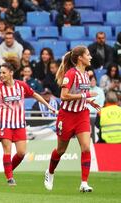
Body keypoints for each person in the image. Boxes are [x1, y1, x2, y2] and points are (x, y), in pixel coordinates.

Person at [0, 62, 56, 186]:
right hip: (5, 123)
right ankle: (10, 178)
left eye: (4, 72)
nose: (1, 75)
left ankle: (9, 170)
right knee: (7, 150)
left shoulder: (21, 85)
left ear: (11, 73)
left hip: (19, 124)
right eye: (0, 73)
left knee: (21, 153)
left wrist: (47, 105)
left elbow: (35, 94)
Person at [44, 46, 101, 193]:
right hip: (67, 116)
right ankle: (50, 172)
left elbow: (81, 93)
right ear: (80, 58)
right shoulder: (71, 74)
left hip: (82, 114)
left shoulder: (86, 75)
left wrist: (89, 102)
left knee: (86, 147)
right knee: (61, 150)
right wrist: (85, 96)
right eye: (88, 55)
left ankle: (84, 183)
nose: (90, 57)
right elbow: (64, 96)